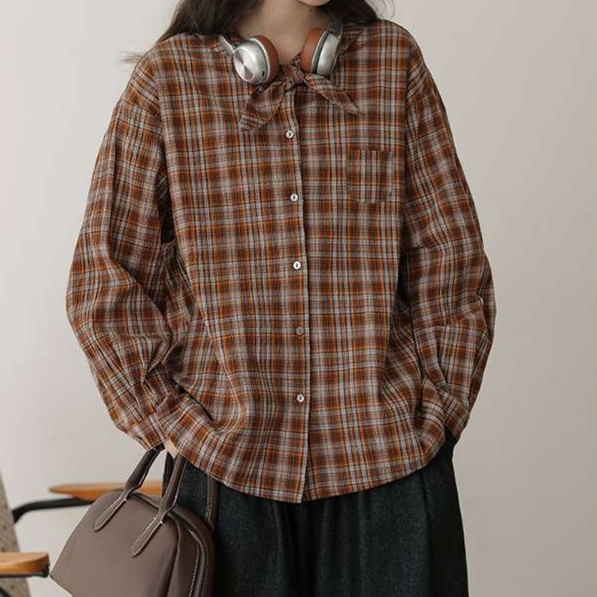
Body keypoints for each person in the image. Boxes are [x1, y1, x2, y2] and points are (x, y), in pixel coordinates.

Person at [65, 0, 497, 595]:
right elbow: (104, 278)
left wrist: (439, 417)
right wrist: (170, 423)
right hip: (226, 479)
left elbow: (452, 261)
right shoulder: (169, 80)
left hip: (389, 467)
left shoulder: (392, 62)